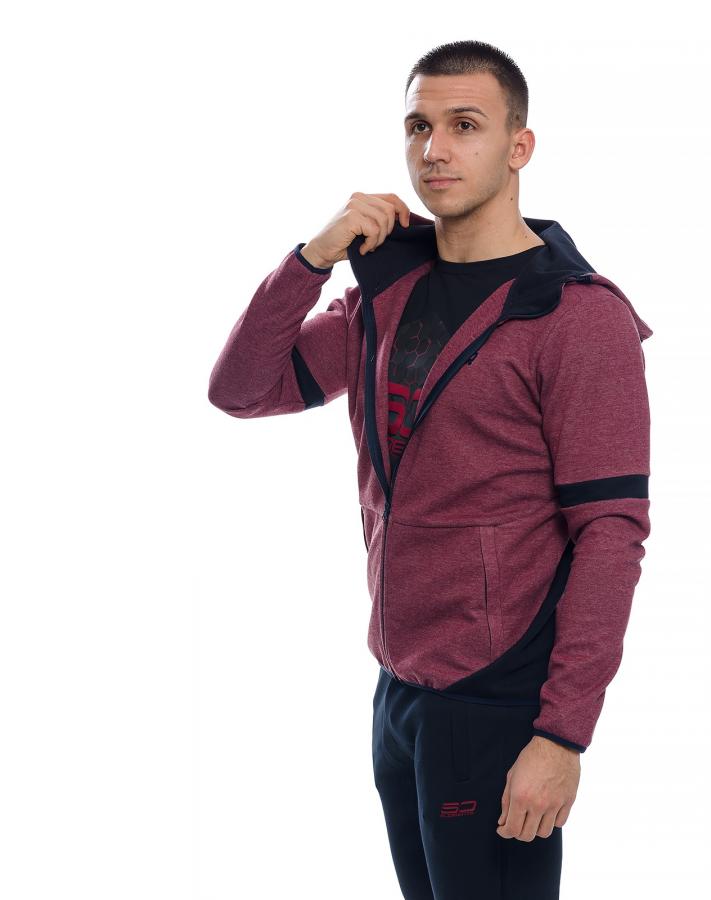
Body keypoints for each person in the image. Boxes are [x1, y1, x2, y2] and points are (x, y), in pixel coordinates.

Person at [208, 39, 653, 900]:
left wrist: (562, 736)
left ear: (519, 146)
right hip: (400, 686)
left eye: (465, 125)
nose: (435, 149)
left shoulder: (574, 315)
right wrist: (310, 260)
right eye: (419, 126)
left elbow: (611, 533)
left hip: (499, 698)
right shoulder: (386, 294)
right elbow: (241, 389)